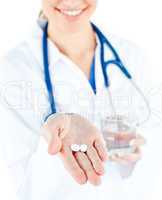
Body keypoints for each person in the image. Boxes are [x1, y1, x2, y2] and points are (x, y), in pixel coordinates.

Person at [0, 0, 148, 200]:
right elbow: (20, 182)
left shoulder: (130, 55)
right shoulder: (14, 68)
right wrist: (54, 136)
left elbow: (151, 164)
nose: (71, 1)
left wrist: (132, 157)